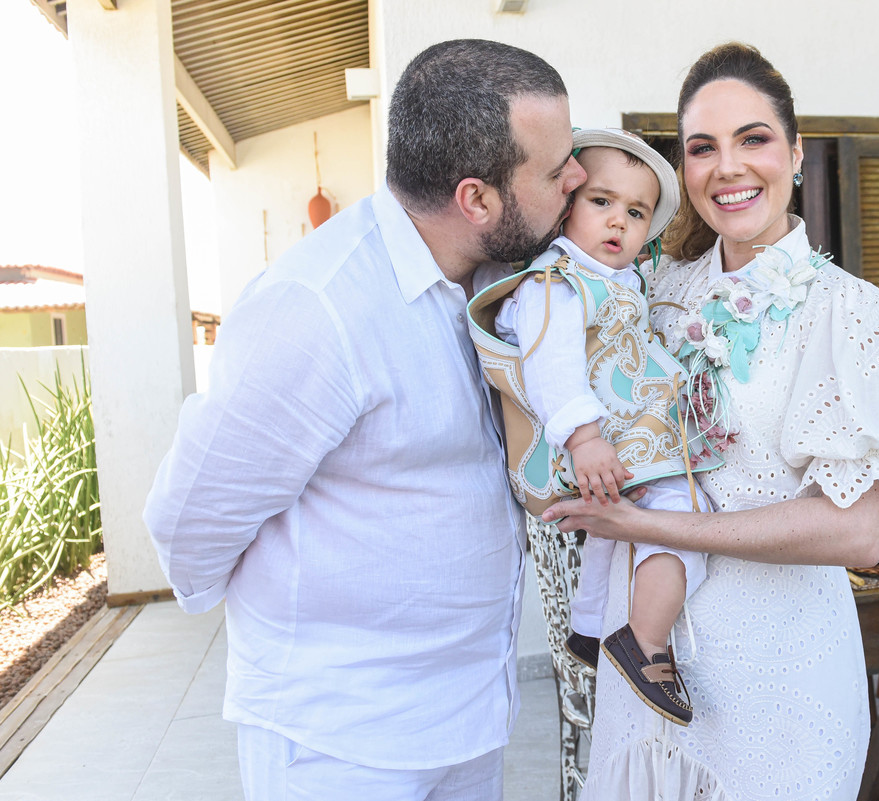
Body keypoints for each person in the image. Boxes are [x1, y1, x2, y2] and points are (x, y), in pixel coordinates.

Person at [143, 39, 584, 800]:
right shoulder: (316, 308)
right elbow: (189, 524)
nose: (577, 178)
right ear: (476, 200)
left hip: (471, 720)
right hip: (341, 743)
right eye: (556, 170)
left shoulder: (507, 285)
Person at [543, 43, 879, 800]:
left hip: (778, 680)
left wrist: (648, 525)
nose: (728, 167)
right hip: (643, 675)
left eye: (753, 139)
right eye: (702, 148)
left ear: (796, 152)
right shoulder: (653, 291)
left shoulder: (848, 311)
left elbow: (858, 532)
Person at [480, 128, 716, 726]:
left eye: (636, 212)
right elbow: (550, 365)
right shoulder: (557, 284)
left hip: (623, 441)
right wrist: (584, 439)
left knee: (613, 524)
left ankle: (588, 629)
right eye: (601, 201)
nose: (618, 221)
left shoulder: (618, 281)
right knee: (684, 514)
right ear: (566, 205)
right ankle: (646, 643)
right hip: (596, 441)